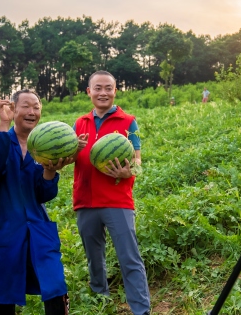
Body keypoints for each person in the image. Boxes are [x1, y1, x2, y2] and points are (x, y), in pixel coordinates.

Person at [0, 89, 73, 315]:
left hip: (37, 227)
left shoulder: (46, 145)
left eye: (36, 107)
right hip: (2, 229)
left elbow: (44, 194)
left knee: (55, 285)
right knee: (2, 295)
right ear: (14, 109)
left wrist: (49, 170)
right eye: (26, 106)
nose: (32, 112)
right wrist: (3, 123)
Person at [73, 70, 151, 315]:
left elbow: (138, 161)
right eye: (98, 88)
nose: (103, 92)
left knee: (129, 258)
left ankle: (141, 309)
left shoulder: (129, 122)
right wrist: (74, 150)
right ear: (89, 92)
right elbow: (69, 157)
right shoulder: (80, 123)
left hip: (117, 200)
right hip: (85, 200)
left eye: (108, 88)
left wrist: (128, 173)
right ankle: (101, 302)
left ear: (115, 91)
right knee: (94, 259)